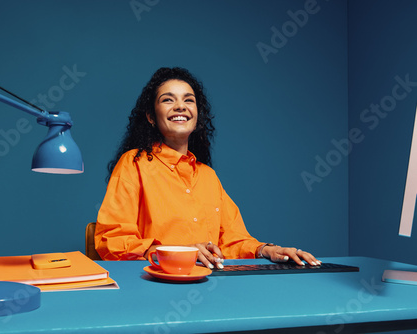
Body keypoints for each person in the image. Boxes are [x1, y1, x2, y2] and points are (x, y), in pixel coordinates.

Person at [94, 67, 320, 269]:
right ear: (151, 117)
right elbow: (112, 238)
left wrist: (267, 250)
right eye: (168, 100)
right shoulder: (134, 163)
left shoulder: (208, 175)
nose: (180, 106)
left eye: (188, 100)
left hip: (210, 285)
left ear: (197, 115)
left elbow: (232, 241)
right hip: (154, 284)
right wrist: (176, 254)